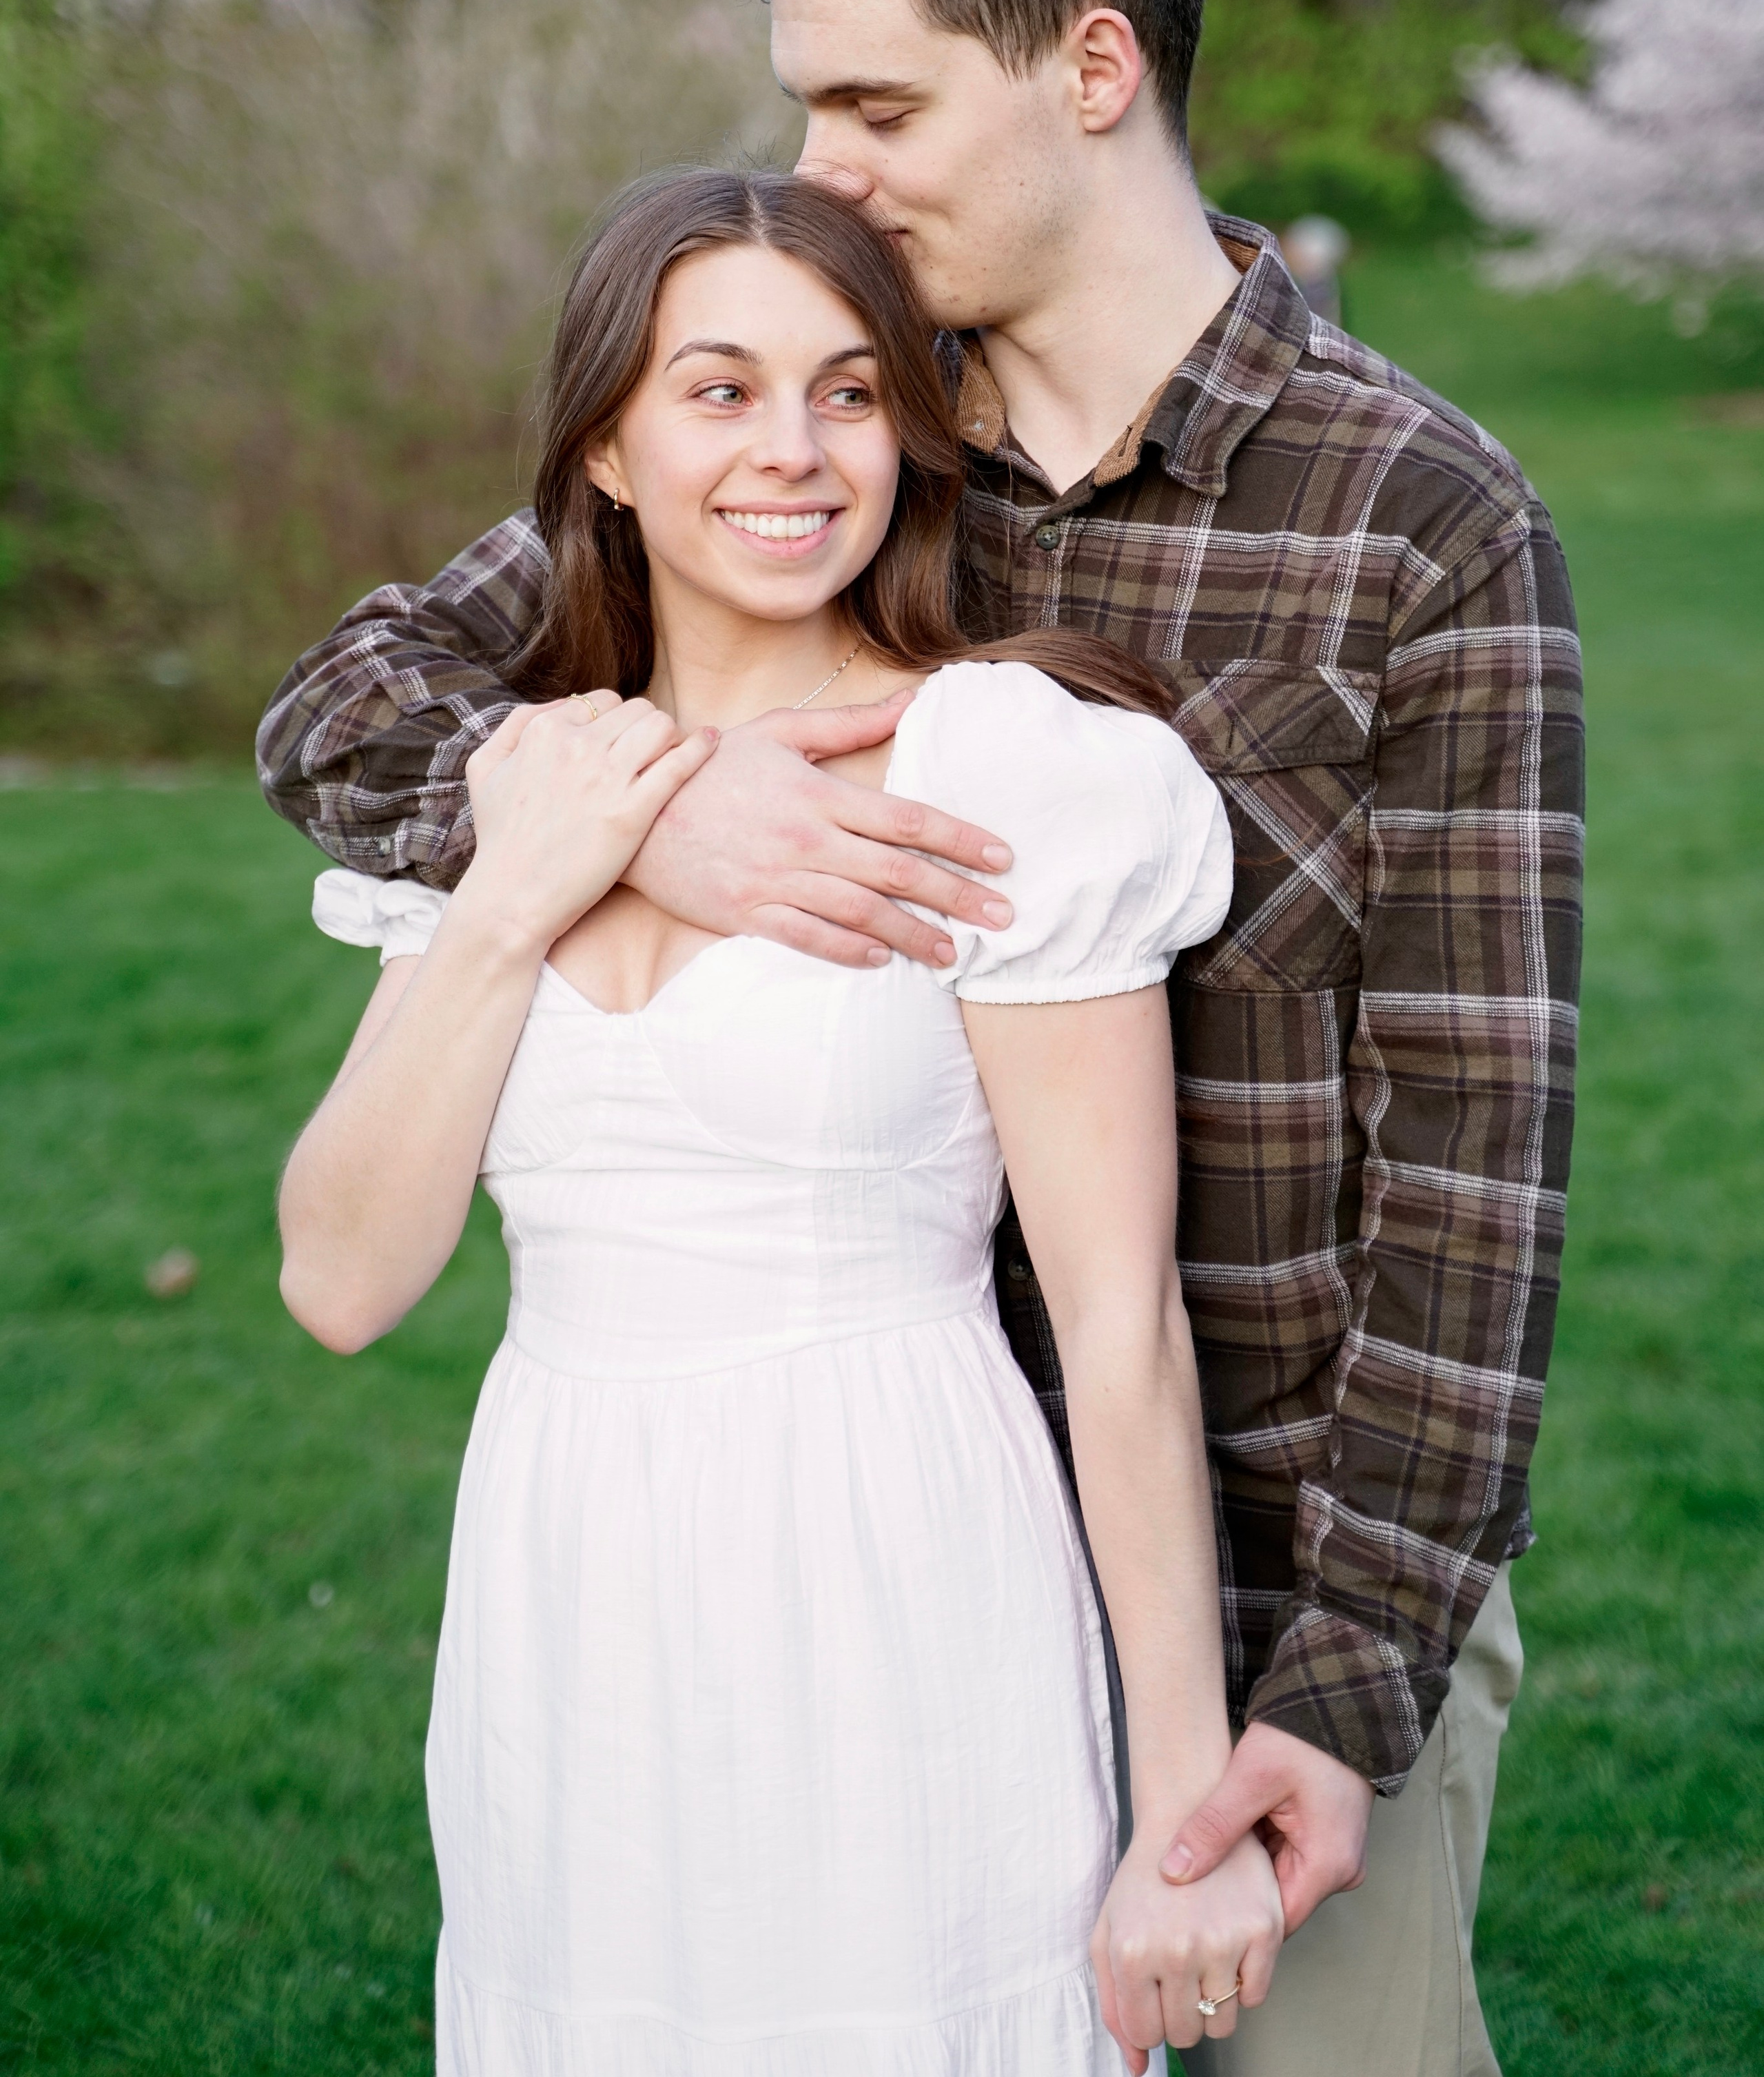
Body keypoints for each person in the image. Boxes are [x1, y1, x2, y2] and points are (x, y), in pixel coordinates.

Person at [259, 0, 1584, 2077]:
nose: (814, 165)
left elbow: (1477, 1177)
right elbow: (352, 707)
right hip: (822, 1543)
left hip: (1283, 1560)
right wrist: (644, 814)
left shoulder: (1421, 523)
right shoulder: (824, 411)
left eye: (870, 111)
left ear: (1089, 67)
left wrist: (1341, 1688)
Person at [278, 166, 1285, 2071]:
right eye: (720, 390)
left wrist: (1182, 1818)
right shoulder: (536, 774)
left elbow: (1121, 1328)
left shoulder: (995, 766)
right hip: (571, 1593)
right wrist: (524, 880)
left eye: (848, 390)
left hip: (892, 1565)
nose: (797, 451)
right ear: (604, 445)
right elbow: (339, 1278)